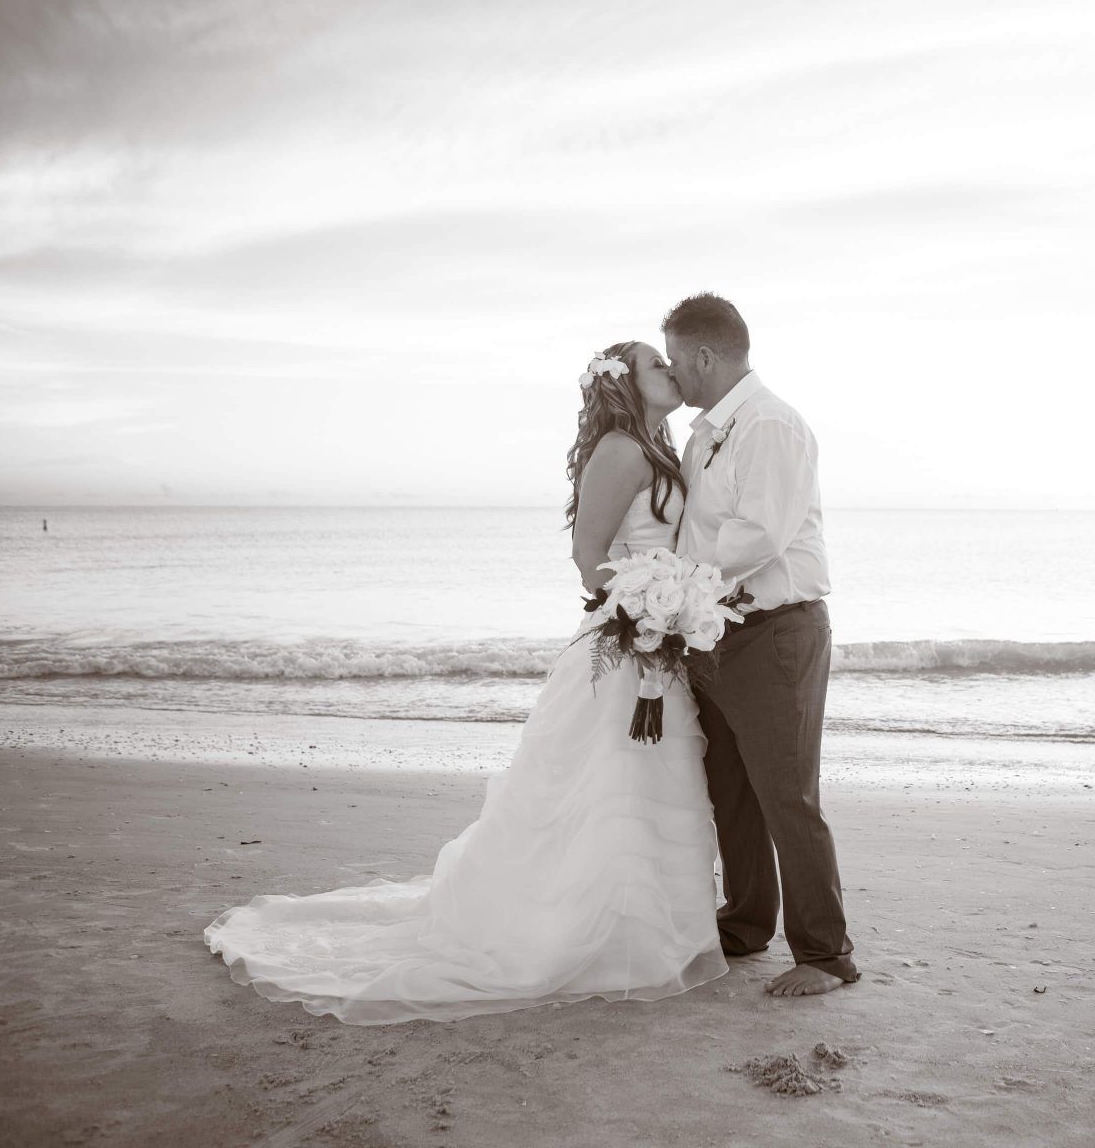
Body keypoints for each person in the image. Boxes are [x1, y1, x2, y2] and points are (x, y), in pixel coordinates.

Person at [204, 342, 726, 1024]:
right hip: (625, 644)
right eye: (657, 363)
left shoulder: (663, 447)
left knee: (649, 787)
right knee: (606, 790)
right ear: (628, 382)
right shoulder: (624, 451)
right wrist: (644, 602)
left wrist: (680, 602)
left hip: (658, 647)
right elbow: (587, 556)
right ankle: (581, 933)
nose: (671, 370)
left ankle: (642, 929)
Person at [664, 293, 859, 997]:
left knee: (786, 794)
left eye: (678, 363)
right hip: (714, 630)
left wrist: (671, 585)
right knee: (731, 794)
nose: (673, 376)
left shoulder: (771, 425)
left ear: (706, 357)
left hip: (775, 631)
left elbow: (758, 537)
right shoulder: (705, 434)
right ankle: (746, 924)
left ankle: (826, 955)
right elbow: (698, 530)